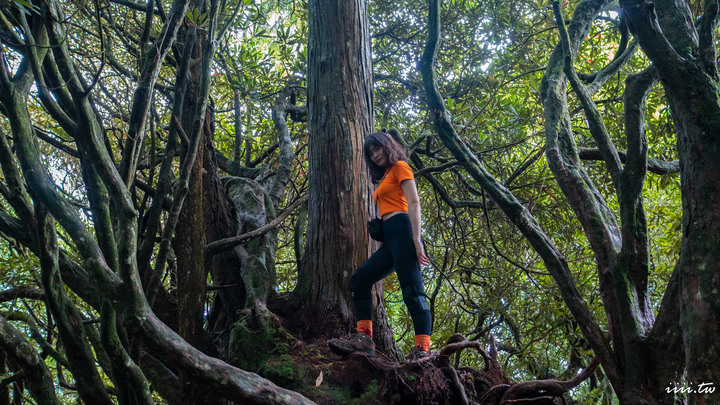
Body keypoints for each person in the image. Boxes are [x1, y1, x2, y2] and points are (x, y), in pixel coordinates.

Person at [329, 131, 433, 360]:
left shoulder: (400, 168)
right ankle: (364, 339)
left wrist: (417, 240)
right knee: (361, 278)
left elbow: (414, 203)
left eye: (378, 149)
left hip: (405, 232)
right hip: (390, 239)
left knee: (413, 292)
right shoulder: (384, 177)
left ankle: (423, 351)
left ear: (388, 146)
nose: (375, 155)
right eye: (371, 153)